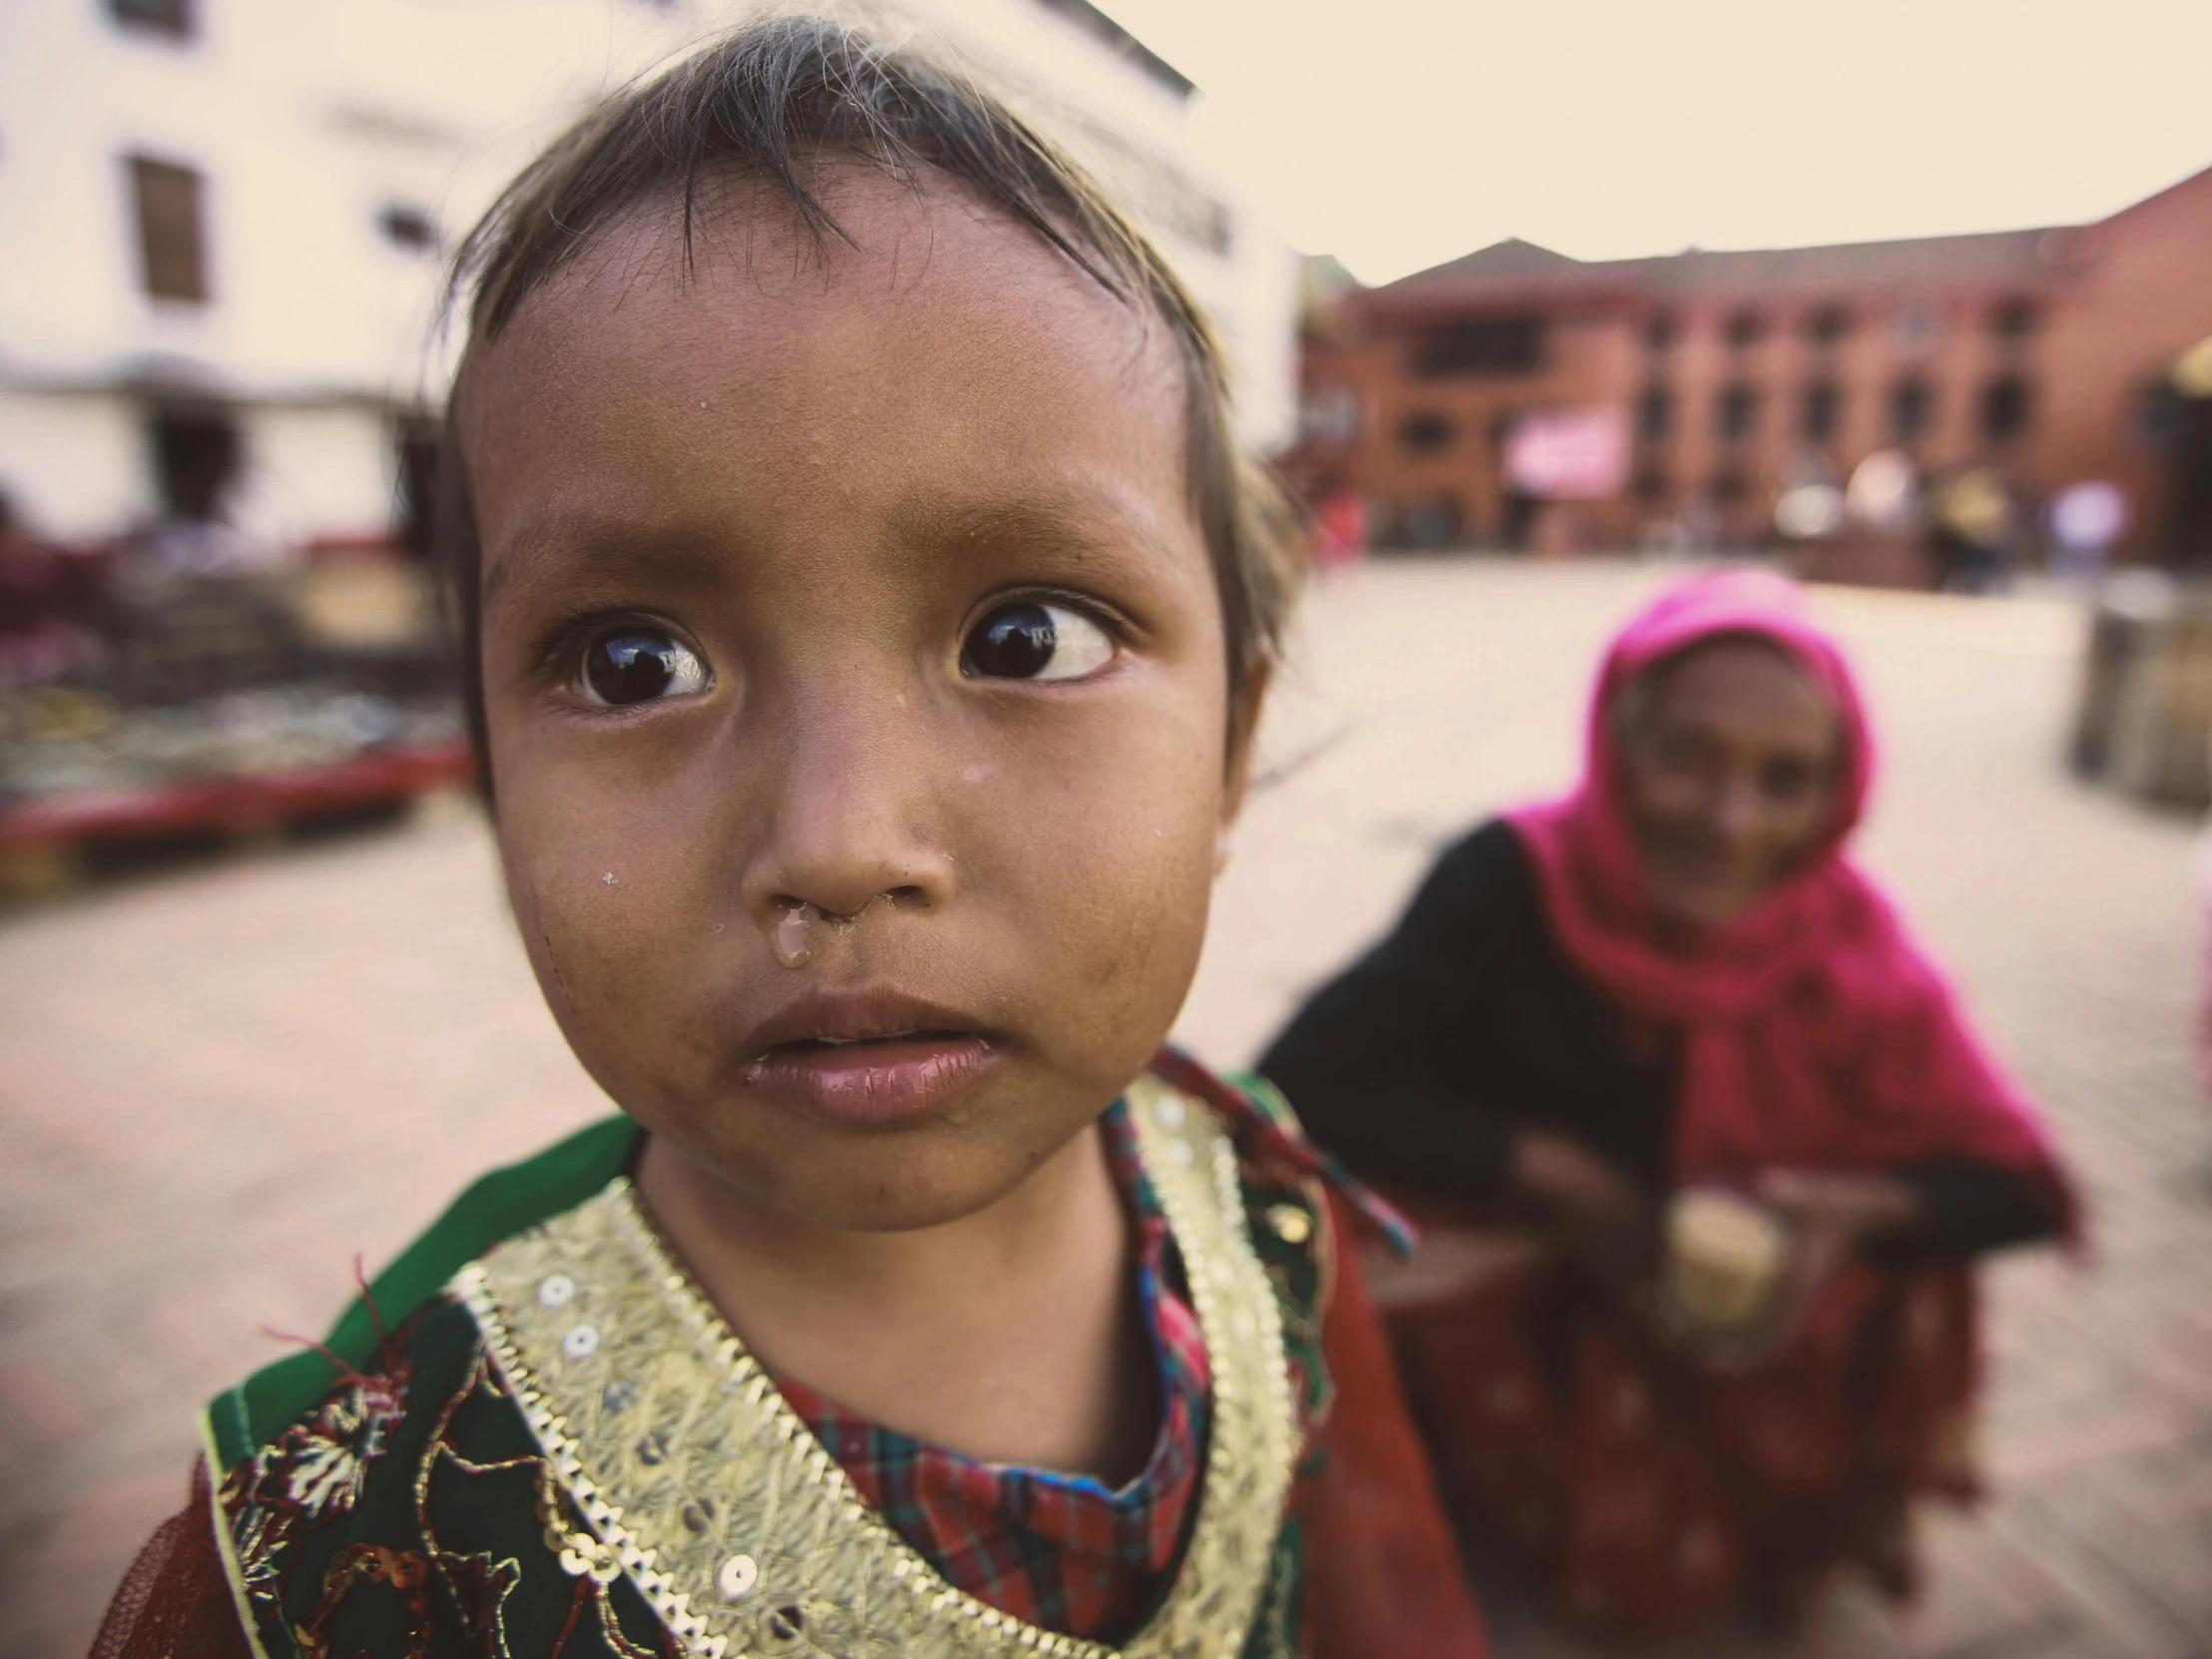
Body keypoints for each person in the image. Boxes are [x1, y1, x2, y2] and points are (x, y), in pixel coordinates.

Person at [90, 21, 1487, 1659]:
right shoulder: (375, 1508)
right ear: (486, 769)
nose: (838, 843)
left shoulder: (1260, 1209)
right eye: (634, 666)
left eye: (1027, 637)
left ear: (1234, 744)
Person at [1262, 569, 2076, 1636]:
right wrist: (1553, 1174)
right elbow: (1309, 1075)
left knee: (1922, 1262)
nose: (1729, 821)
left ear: (1834, 796)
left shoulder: (1847, 942)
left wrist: (1853, 1216)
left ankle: (1786, 1513)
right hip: (1549, 1278)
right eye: (1686, 757)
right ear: (1618, 743)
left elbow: (2017, 1184)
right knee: (1335, 1243)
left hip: (1750, 1300)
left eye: (1784, 779)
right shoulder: (1509, 878)